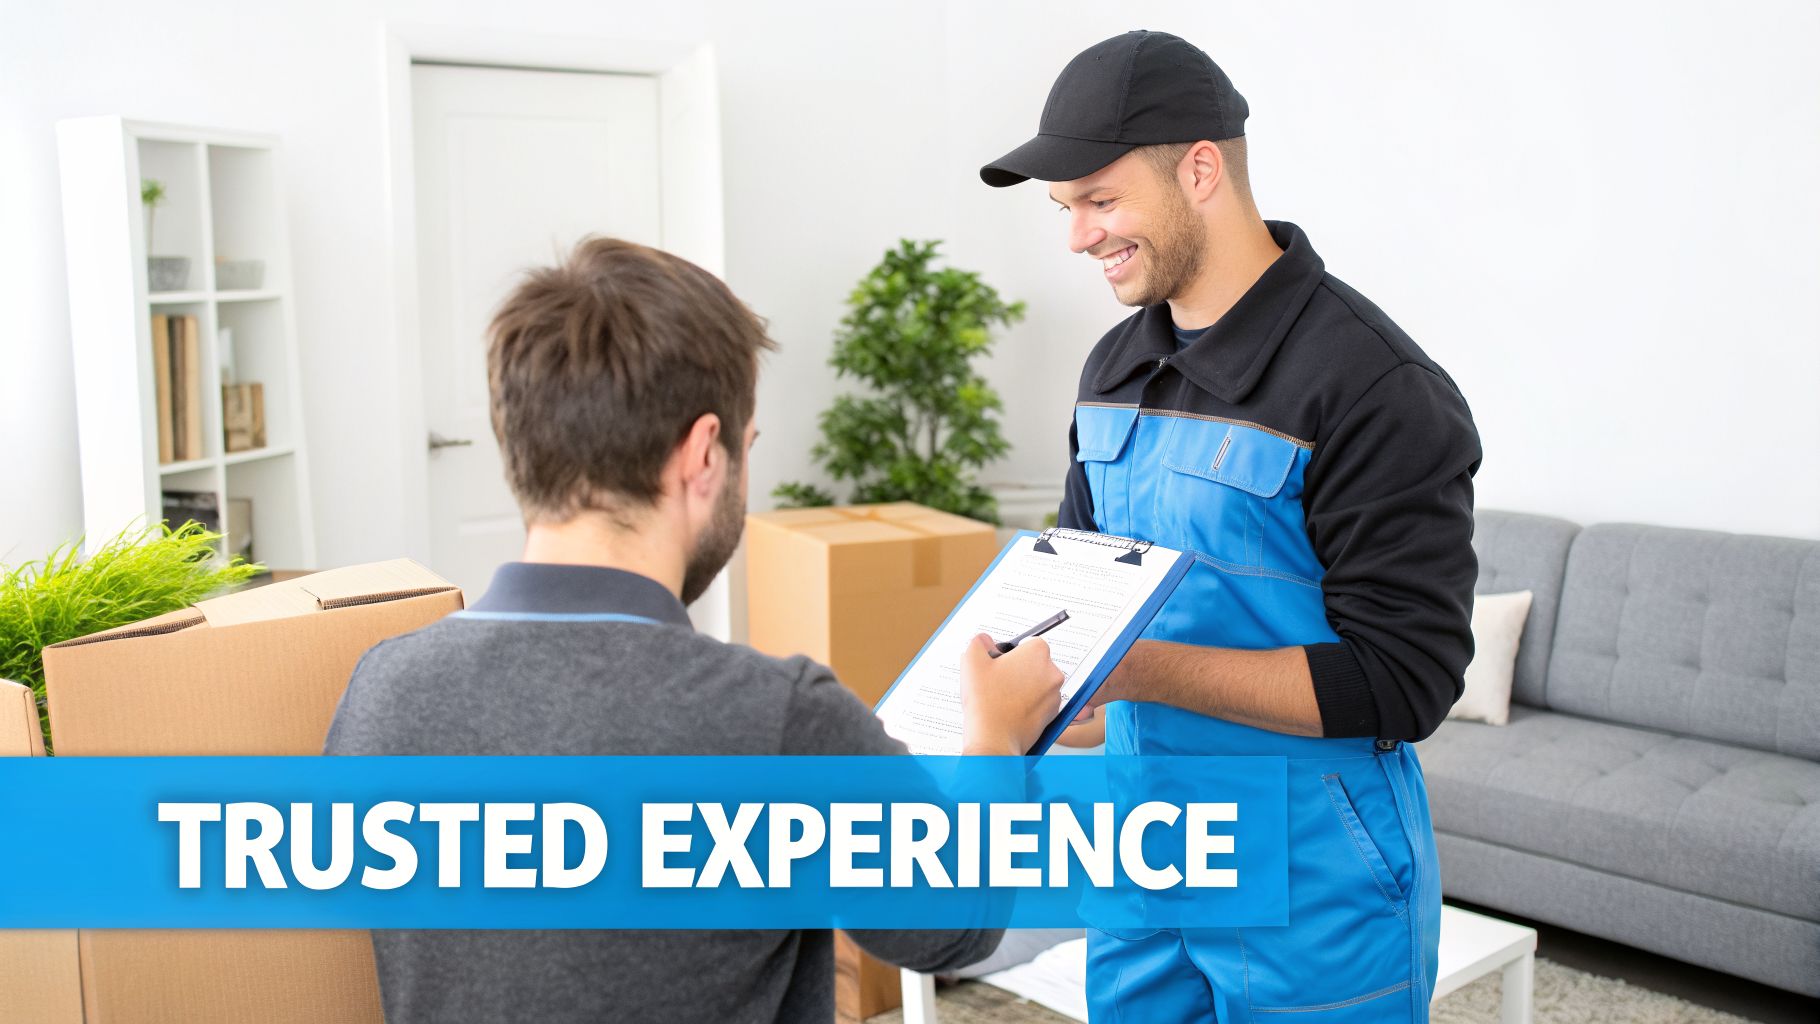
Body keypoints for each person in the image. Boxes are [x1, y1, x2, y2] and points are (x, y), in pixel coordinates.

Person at [324, 237, 1066, 1023]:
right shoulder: (774, 720)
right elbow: (952, 923)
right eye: (745, 452)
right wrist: (996, 740)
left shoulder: (381, 688)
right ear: (704, 454)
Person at [980, 30, 1481, 1023]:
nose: (1077, 236)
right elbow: (1086, 594)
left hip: (1313, 876)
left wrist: (1137, 667)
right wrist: (1043, 686)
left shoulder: (1373, 385)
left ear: (1198, 170)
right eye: (1064, 209)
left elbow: (1403, 680)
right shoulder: (1110, 370)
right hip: (1144, 853)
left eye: (1099, 200)